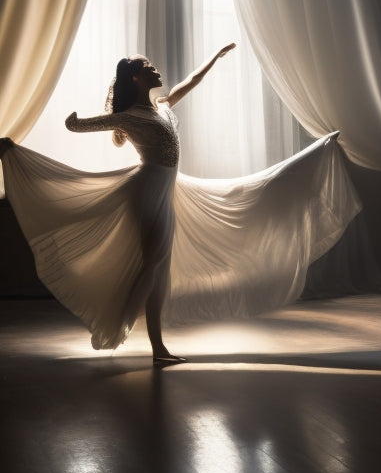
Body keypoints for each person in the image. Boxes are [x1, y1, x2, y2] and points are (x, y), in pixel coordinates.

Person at [0, 45, 360, 364]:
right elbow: (78, 127)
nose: (155, 68)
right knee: (153, 263)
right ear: (136, 77)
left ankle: (157, 348)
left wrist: (213, 60)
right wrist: (73, 121)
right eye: (148, 66)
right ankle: (119, 319)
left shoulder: (161, 106)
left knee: (160, 271)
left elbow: (186, 84)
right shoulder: (129, 117)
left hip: (168, 190)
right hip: (146, 192)